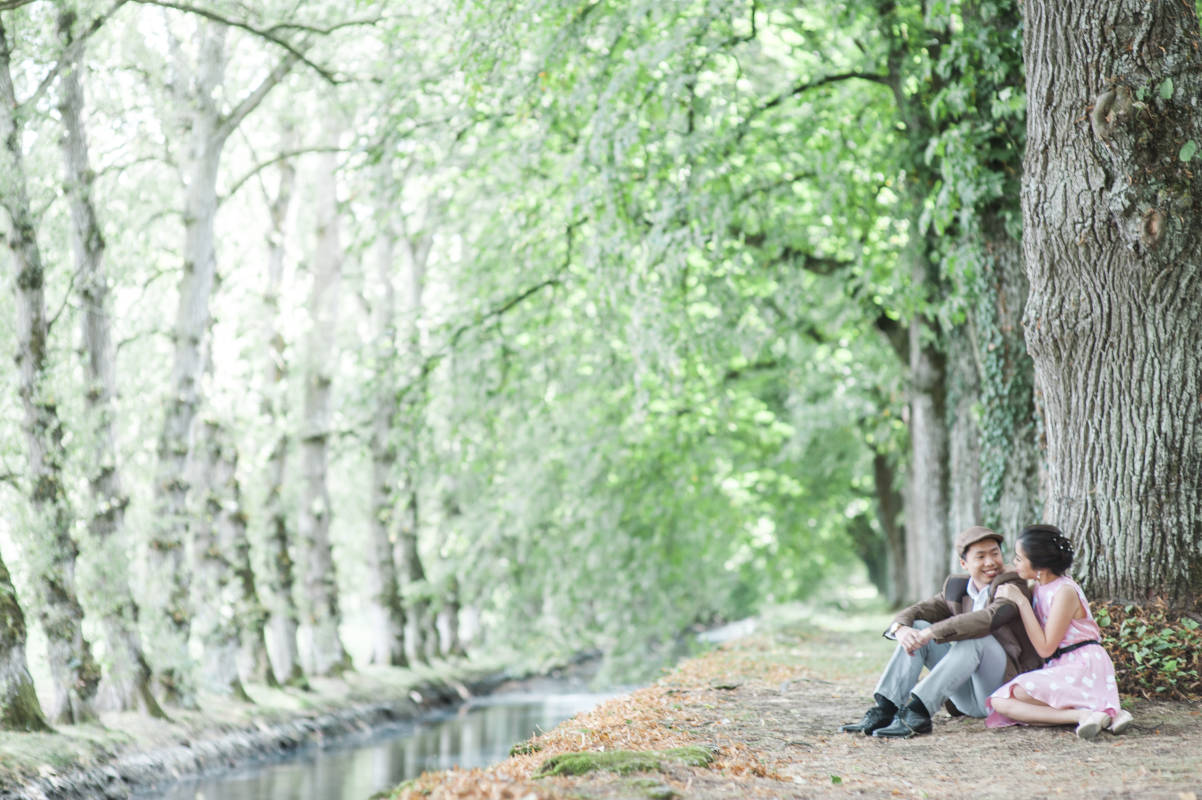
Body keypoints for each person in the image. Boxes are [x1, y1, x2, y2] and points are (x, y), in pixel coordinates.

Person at [840, 526, 1041, 738]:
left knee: (975, 637)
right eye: (980, 556)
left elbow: (986, 619)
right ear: (964, 563)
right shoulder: (956, 588)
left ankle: (918, 712)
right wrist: (900, 629)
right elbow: (918, 610)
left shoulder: (1012, 583)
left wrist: (933, 632)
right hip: (966, 698)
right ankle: (885, 709)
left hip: (1000, 693)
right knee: (916, 626)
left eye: (995, 553)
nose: (990, 562)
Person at [986, 524, 1134, 739]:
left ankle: (1087, 714)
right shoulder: (1039, 585)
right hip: (1062, 664)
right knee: (1001, 702)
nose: (1014, 562)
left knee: (1009, 696)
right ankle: (1098, 713)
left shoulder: (1064, 591)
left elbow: (1045, 648)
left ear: (1040, 567)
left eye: (1019, 558)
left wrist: (1020, 601)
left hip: (1083, 664)